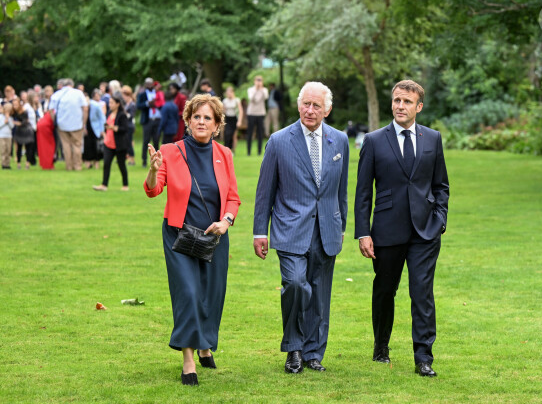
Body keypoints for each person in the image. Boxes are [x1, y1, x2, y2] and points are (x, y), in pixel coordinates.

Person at [354, 80, 449, 377]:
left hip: (425, 231)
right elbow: (362, 192)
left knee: (422, 293)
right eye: (397, 100)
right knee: (384, 291)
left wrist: (440, 219)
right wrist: (363, 232)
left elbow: (441, 185)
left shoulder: (432, 139)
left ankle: (423, 357)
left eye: (407, 101)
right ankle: (381, 345)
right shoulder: (373, 140)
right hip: (386, 231)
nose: (400, 106)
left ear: (418, 107)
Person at [144, 94, 241, 386]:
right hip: (179, 236)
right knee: (188, 293)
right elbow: (153, 190)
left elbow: (233, 198)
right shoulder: (170, 152)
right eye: (196, 117)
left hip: (214, 236)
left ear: (217, 125)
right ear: (187, 121)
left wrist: (226, 222)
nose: (201, 122)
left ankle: (204, 345)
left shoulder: (225, 154)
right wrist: (151, 170)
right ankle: (188, 360)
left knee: (211, 296)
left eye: (207, 118)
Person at [253, 81, 349, 374]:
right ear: (298, 105)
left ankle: (313, 352)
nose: (310, 110)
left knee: (320, 294)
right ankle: (293, 347)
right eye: (306, 104)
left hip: (327, 230)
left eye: (316, 105)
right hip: (290, 229)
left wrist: (341, 225)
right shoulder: (279, 141)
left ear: (327, 109)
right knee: (295, 284)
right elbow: (264, 191)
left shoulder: (340, 140)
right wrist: (260, 231)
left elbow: (340, 190)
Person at [48, 78, 88, 171]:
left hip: (62, 124)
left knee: (66, 145)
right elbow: (85, 109)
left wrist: (55, 120)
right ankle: (77, 166)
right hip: (77, 123)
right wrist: (84, 122)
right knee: (77, 145)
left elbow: (50, 110)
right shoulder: (78, 93)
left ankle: (69, 166)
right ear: (72, 85)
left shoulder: (57, 94)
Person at [93, 92, 130, 191]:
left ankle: (125, 185)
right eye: (109, 103)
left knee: (121, 165)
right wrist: (105, 131)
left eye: (112, 103)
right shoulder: (109, 113)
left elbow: (125, 128)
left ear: (118, 104)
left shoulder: (122, 115)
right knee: (106, 164)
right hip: (108, 143)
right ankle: (104, 185)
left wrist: (115, 128)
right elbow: (106, 125)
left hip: (119, 144)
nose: (110, 105)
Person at [137, 77, 162, 167]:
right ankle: (144, 161)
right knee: (146, 141)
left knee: (156, 141)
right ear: (145, 85)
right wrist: (147, 103)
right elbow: (138, 105)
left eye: (150, 83)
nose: (149, 85)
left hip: (157, 119)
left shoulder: (157, 93)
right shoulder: (142, 94)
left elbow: (162, 102)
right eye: (147, 84)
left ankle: (157, 160)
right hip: (148, 120)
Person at [246, 75, 268, 156]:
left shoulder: (264, 90)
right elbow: (251, 99)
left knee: (260, 133)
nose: (258, 82)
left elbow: (265, 97)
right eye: (257, 80)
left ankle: (259, 151)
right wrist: (256, 89)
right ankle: (248, 151)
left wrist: (261, 89)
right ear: (254, 81)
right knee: (250, 132)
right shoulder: (251, 89)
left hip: (260, 113)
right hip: (251, 113)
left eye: (260, 80)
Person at [84, 89, 106, 169]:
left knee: (96, 146)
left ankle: (96, 163)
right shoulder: (83, 107)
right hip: (87, 129)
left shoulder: (95, 106)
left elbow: (102, 118)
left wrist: (101, 130)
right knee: (87, 146)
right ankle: (88, 164)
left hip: (95, 129)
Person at [12, 100, 36, 170]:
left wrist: (17, 123)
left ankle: (27, 164)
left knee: (28, 148)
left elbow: (24, 122)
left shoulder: (25, 112)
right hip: (19, 132)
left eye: (16, 105)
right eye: (14, 105)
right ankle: (19, 164)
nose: (15, 106)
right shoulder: (13, 112)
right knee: (18, 148)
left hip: (27, 132)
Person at [222, 86, 243, 151]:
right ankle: (226, 149)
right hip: (228, 118)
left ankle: (233, 150)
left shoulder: (237, 100)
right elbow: (223, 111)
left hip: (234, 118)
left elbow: (240, 111)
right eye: (227, 93)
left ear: (232, 92)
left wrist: (239, 121)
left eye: (230, 93)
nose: (229, 94)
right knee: (227, 134)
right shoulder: (225, 101)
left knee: (234, 135)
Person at [121, 85, 137, 165]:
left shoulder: (132, 104)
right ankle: (129, 158)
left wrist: (124, 113)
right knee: (127, 143)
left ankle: (132, 160)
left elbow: (131, 116)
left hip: (129, 126)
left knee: (129, 143)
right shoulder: (127, 104)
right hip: (126, 126)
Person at [0, 103, 13, 169]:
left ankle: (7, 164)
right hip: (2, 136)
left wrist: (8, 120)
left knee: (8, 150)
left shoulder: (11, 118)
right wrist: (4, 122)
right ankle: (3, 164)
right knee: (3, 150)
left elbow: (12, 126)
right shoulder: (1, 117)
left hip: (9, 136)